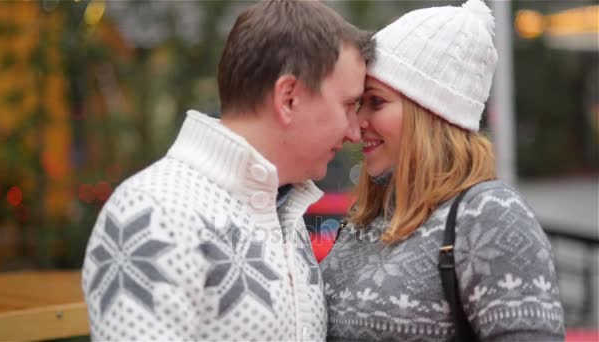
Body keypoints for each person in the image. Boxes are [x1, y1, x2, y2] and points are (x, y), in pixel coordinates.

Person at [81, 1, 375, 340]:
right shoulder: (153, 213)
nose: (355, 131)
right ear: (288, 98)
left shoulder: (280, 207)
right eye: (348, 105)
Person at [320, 0, 565, 341]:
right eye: (359, 103)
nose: (358, 122)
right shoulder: (366, 217)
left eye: (376, 102)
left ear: (432, 114)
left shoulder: (490, 215)